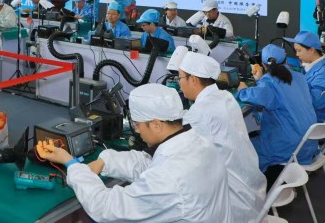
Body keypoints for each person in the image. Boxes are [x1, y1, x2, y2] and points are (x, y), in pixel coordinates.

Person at [40, 83, 231, 222]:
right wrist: (105, 161)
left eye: (138, 125)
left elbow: (105, 208)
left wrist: (72, 165)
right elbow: (149, 164)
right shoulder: (199, 143)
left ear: (156, 124)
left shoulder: (169, 178)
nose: (137, 131)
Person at [179, 52, 266, 221]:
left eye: (180, 78)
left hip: (235, 203)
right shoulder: (225, 96)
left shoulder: (200, 112)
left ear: (193, 80)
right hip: (253, 190)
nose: (179, 83)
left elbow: (178, 134)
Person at [237, 44, 318, 187]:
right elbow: (276, 93)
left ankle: (252, 188)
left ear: (263, 65)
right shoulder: (300, 77)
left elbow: (255, 95)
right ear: (286, 60)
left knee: (242, 147)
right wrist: (261, 80)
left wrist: (242, 90)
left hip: (288, 147)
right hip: (309, 144)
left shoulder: (269, 82)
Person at [285, 30, 325, 123]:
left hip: (319, 119)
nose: (297, 54)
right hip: (312, 114)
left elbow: (315, 103)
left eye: (299, 51)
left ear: (311, 50)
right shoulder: (311, 65)